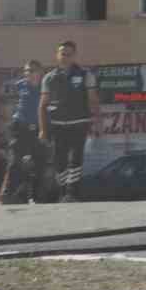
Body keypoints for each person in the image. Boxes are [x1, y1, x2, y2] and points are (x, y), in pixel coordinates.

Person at [39, 40, 99, 203]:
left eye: (68, 54)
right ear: (57, 55)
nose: (65, 57)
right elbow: (43, 105)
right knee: (59, 160)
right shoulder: (49, 78)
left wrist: (96, 122)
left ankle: (72, 193)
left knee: (75, 158)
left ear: (74, 56)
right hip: (58, 125)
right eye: (62, 54)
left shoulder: (85, 75)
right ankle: (62, 191)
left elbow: (93, 100)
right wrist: (43, 129)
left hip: (80, 123)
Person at [1, 60, 46, 204]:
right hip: (20, 128)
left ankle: (36, 197)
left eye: (32, 70)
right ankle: (7, 196)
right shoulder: (19, 85)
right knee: (15, 162)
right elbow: (8, 104)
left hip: (39, 129)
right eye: (26, 71)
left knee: (39, 163)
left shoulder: (46, 87)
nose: (29, 73)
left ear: (40, 72)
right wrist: (10, 124)